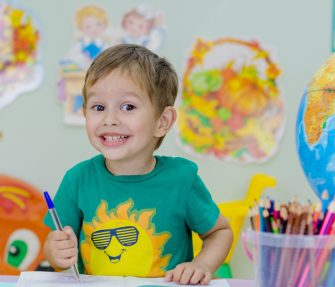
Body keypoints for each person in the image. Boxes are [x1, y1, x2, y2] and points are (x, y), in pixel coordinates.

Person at [44, 44, 233, 285]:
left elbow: (219, 232)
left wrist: (202, 263)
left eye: (128, 107)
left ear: (162, 121)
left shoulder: (182, 180)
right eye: (98, 107)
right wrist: (57, 253)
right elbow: (55, 250)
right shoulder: (77, 180)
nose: (109, 119)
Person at [61, 6, 109, 71]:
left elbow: (109, 60)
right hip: (81, 74)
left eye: (98, 24)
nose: (94, 29)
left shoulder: (104, 45)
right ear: (81, 27)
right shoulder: (80, 44)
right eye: (88, 26)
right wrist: (82, 59)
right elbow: (70, 59)